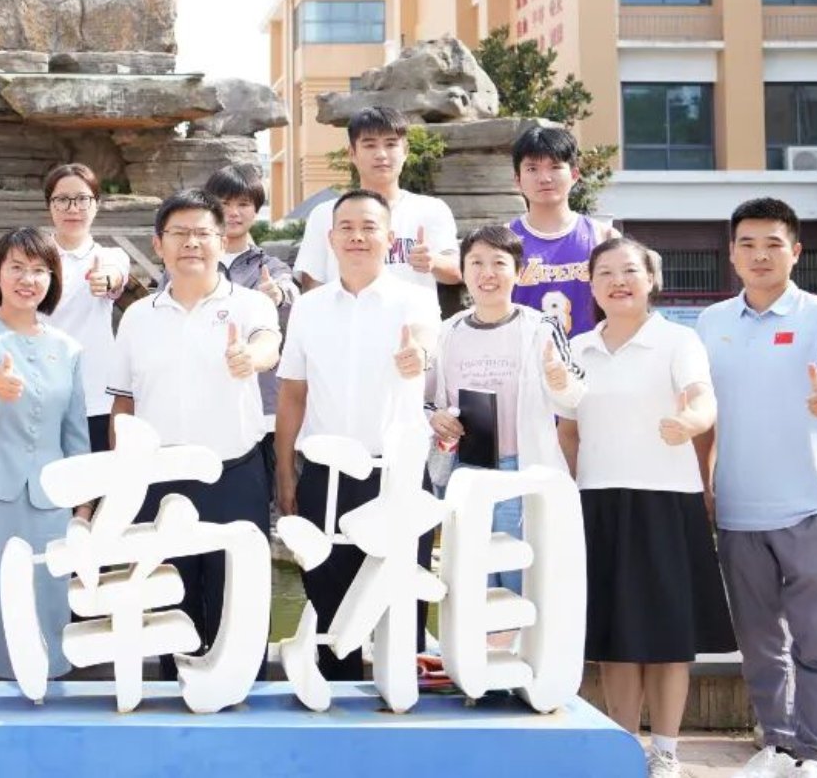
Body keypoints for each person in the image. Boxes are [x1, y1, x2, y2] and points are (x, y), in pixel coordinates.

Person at [696, 198, 817, 778]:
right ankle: (776, 745)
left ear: (795, 251)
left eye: (773, 244)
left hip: (812, 506)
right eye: (747, 244)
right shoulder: (711, 323)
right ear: (732, 254)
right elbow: (705, 412)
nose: (760, 255)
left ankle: (812, 754)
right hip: (739, 510)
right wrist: (705, 483)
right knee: (760, 644)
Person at [558, 237, 736, 778]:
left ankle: (666, 751)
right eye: (606, 272)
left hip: (666, 501)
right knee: (616, 638)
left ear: (651, 279)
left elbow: (703, 398)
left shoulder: (678, 341)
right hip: (599, 501)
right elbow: (568, 431)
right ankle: (623, 746)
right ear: (591, 285)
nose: (619, 281)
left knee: (667, 638)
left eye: (630, 270)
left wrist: (690, 422)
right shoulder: (578, 349)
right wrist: (571, 489)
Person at [107, 189, 281, 678]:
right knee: (169, 602)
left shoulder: (249, 305)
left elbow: (268, 343)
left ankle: (244, 695)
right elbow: (124, 403)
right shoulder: (138, 317)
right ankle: (175, 691)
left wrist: (251, 358)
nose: (191, 243)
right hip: (159, 479)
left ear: (222, 241)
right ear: (158, 243)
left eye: (203, 233)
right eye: (179, 233)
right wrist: (120, 482)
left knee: (239, 598)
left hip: (234, 474)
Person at [274, 189, 442, 680]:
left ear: (389, 238)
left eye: (369, 227)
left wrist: (418, 356)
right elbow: (292, 394)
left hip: (395, 476)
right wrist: (285, 472)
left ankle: (401, 704)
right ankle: (336, 703)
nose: (357, 237)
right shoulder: (309, 308)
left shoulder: (414, 299)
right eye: (346, 227)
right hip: (324, 476)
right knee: (330, 602)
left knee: (401, 603)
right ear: (330, 238)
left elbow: (425, 342)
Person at [0, 227, 89, 680]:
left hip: (49, 497)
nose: (28, 279)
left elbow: (75, 434)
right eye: (18, 268)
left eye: (40, 270)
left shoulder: (69, 349)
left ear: (53, 280)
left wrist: (83, 509)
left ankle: (44, 688)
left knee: (45, 590)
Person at [425, 224, 583, 597]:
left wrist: (560, 379)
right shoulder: (447, 331)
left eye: (499, 263)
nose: (487, 273)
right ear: (463, 271)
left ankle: (522, 636)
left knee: (521, 578)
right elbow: (425, 400)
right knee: (471, 582)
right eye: (476, 262)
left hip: (521, 469)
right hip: (466, 470)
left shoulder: (541, 327)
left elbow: (573, 396)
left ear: (519, 271)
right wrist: (435, 418)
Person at [292, 106, 459, 295]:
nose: (381, 154)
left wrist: (433, 261)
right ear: (352, 153)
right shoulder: (325, 214)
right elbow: (312, 284)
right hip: (346, 313)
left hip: (412, 314)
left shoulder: (431, 209)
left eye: (391, 144)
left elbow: (456, 272)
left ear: (405, 151)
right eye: (370, 145)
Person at [202, 164, 298, 478]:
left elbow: (289, 291)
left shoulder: (270, 266)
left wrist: (277, 294)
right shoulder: (190, 262)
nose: (233, 212)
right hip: (202, 403)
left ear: (256, 210)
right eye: (224, 203)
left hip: (261, 405)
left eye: (243, 204)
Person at [42, 162, 130, 453]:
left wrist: (105, 280)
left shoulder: (111, 256)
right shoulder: (34, 259)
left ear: (96, 204)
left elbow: (114, 275)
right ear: (49, 205)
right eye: (62, 200)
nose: (73, 208)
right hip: (41, 393)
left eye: (82, 199)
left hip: (95, 395)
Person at [508, 125, 618, 338]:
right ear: (518, 180)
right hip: (522, 356)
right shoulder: (503, 241)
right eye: (532, 169)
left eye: (555, 167)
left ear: (575, 174)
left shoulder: (605, 238)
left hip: (591, 355)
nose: (544, 178)